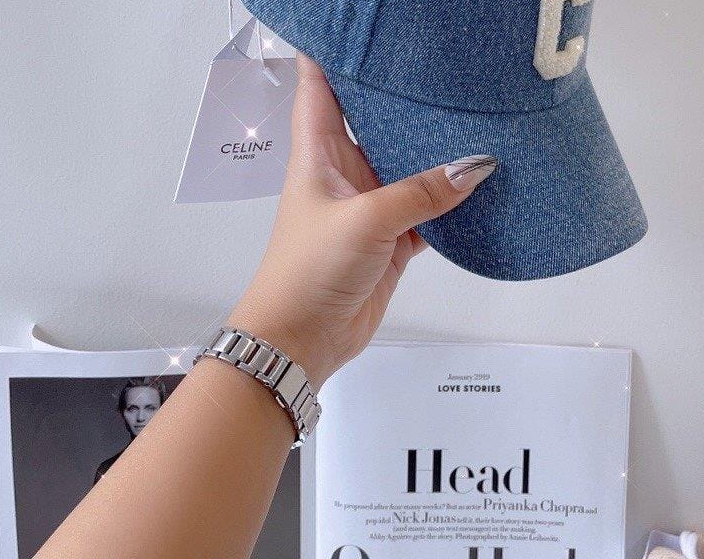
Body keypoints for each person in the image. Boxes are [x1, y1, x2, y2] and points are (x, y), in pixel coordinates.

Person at [36, 54, 496, 558]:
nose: (142, 415)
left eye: (148, 405)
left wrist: (304, 335)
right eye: (136, 407)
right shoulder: (113, 473)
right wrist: (301, 336)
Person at [93, 378, 168, 483]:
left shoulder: (183, 461)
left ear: (163, 411)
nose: (140, 417)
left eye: (150, 408)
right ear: (122, 413)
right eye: (132, 409)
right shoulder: (107, 469)